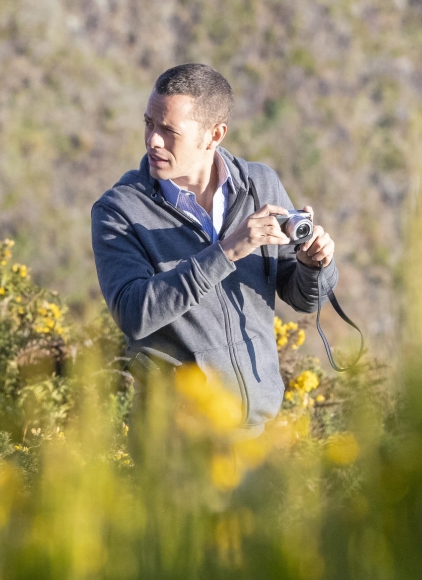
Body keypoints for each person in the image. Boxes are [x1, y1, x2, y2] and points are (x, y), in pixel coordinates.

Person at [90, 63, 338, 437]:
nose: (153, 140)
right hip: (175, 444)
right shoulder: (119, 210)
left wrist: (314, 265)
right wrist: (225, 253)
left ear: (214, 134)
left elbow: (304, 299)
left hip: (256, 435)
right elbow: (133, 314)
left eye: (168, 131)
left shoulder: (260, 184)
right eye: (149, 124)